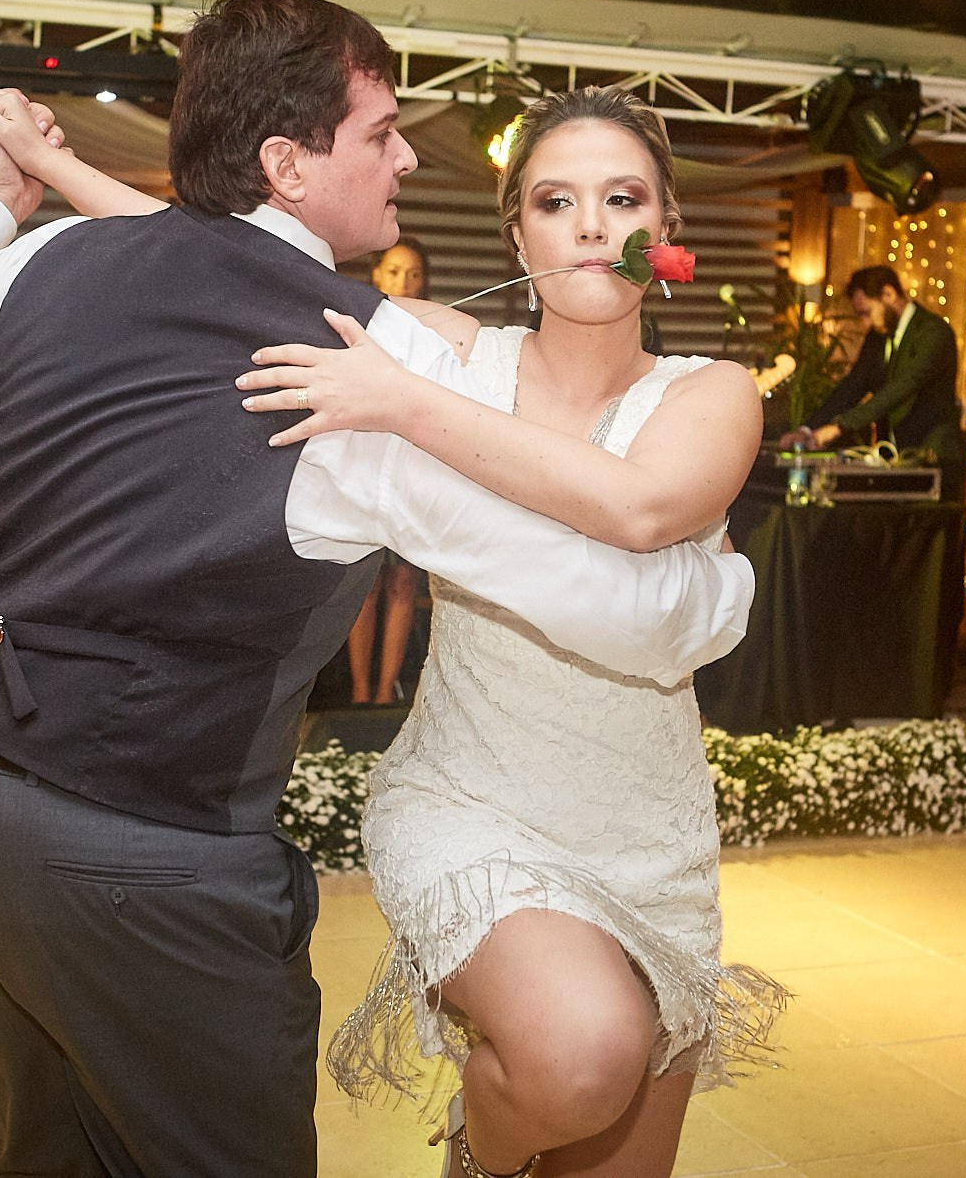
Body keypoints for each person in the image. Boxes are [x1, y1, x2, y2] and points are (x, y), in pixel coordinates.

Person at [0, 0, 754, 1178]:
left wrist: (0, 200)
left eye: (621, 201)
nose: (408, 157)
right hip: (135, 850)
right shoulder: (365, 370)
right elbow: (627, 608)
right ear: (287, 162)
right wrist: (722, 597)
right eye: (382, 133)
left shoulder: (51, 256)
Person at [233, 86, 782, 1178]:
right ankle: (475, 1162)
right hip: (468, 806)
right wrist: (51, 171)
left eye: (622, 199)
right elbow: (226, 262)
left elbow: (638, 509)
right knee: (580, 1054)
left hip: (649, 842)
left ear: (663, 230)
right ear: (517, 236)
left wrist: (403, 404)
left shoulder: (712, 392)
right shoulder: (457, 356)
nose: (591, 226)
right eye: (554, 201)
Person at [779, 263, 966, 498]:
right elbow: (852, 386)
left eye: (867, 312)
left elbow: (902, 386)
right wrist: (809, 430)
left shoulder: (934, 332)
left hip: (935, 462)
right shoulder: (877, 337)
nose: (865, 323)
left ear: (888, 294)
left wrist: (840, 426)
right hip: (894, 465)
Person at [347, 237, 430, 704]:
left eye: (414, 274)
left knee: (402, 581)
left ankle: (384, 693)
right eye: (395, 271)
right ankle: (359, 692)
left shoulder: (433, 330)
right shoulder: (353, 321)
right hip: (359, 458)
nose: (404, 282)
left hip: (411, 465)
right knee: (362, 582)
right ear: (376, 273)